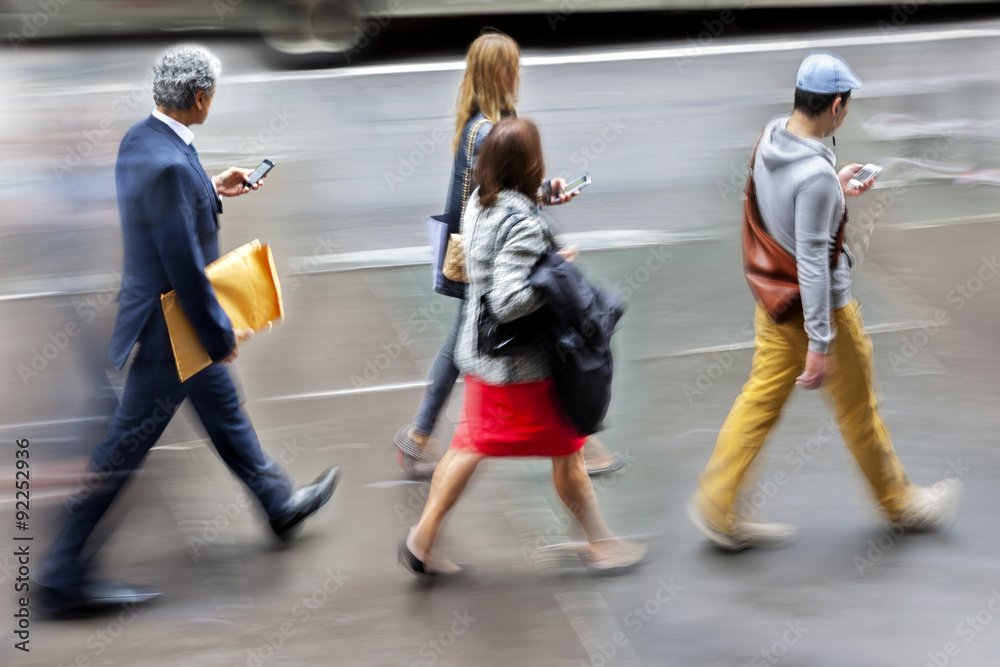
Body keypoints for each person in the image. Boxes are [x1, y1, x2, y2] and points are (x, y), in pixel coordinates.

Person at [36, 45, 340, 615]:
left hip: (159, 317)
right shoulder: (174, 167)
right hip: (172, 330)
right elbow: (185, 269)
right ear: (200, 98)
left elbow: (166, 204)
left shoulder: (143, 141)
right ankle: (61, 575)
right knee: (123, 447)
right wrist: (220, 336)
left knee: (224, 409)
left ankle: (278, 504)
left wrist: (210, 187)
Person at [687, 52, 962, 551]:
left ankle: (717, 503)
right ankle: (900, 503)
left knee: (759, 399)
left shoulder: (772, 136)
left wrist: (833, 191)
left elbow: (784, 207)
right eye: (848, 104)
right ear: (836, 106)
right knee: (860, 412)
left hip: (773, 303)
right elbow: (813, 261)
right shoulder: (813, 176)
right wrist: (821, 342)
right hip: (820, 311)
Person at [398, 117, 646, 580]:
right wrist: (555, 272)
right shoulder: (522, 225)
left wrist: (542, 199)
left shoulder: (478, 202)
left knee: (469, 448)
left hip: (482, 358)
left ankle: (422, 540)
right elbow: (509, 301)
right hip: (521, 371)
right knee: (567, 451)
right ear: (529, 163)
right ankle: (601, 545)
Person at [394, 29, 629, 478]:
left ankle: (418, 437)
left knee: (464, 341)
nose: (517, 73)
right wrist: (538, 201)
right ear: (497, 71)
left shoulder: (483, 121)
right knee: (542, 334)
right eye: (511, 65)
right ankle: (582, 442)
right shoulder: (486, 131)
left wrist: (545, 192)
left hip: (482, 247)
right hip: (491, 253)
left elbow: (506, 190)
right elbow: (502, 197)